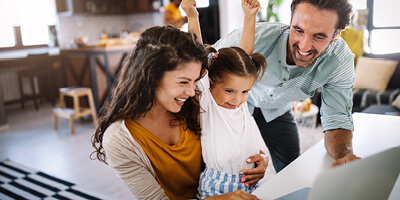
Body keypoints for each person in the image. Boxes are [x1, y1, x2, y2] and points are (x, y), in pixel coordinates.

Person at [91, 26, 267, 200]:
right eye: (183, 82)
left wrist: (258, 161)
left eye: (195, 81)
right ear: (151, 76)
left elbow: (234, 136)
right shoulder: (120, 140)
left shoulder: (195, 104)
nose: (192, 91)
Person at [213, 0, 361, 173]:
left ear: (336, 33)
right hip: (234, 105)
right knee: (224, 162)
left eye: (318, 36)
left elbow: (337, 119)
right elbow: (202, 71)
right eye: (298, 30)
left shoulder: (339, 61)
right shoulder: (253, 37)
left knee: (291, 169)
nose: (304, 46)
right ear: (291, 19)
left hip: (277, 109)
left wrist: (344, 155)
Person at [182, 0, 275, 198]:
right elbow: (197, 56)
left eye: (245, 92)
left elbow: (245, 56)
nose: (238, 100)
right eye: (230, 91)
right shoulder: (208, 102)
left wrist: (250, 17)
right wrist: (192, 16)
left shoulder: (238, 102)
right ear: (211, 83)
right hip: (218, 186)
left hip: (250, 181)